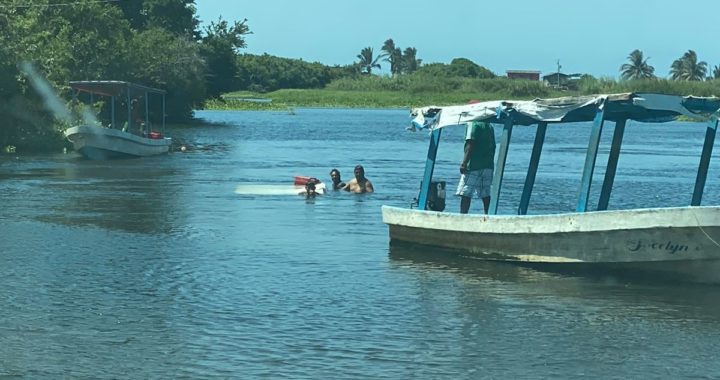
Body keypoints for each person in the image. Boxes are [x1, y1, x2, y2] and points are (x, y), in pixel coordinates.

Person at [456, 120, 496, 214]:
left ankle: (462, 216)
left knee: (465, 193)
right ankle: (488, 215)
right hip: (488, 164)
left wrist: (464, 163)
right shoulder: (489, 125)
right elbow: (493, 146)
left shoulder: (472, 124)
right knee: (485, 194)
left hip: (473, 165)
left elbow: (470, 143)